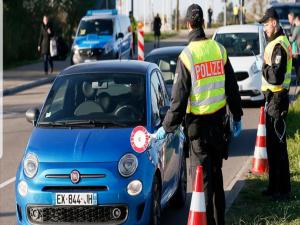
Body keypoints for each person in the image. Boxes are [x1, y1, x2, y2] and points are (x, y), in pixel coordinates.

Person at [156, 4, 243, 225]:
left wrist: (165, 129)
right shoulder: (219, 50)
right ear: (203, 23)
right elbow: (232, 88)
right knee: (216, 176)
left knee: (201, 183)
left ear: (187, 24)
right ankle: (219, 221)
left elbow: (178, 101)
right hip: (219, 126)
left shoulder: (187, 57)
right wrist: (238, 116)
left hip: (198, 131)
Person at [259, 8, 292, 200]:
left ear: (274, 22)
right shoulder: (275, 43)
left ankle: (283, 190)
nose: (264, 28)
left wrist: (263, 67)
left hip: (277, 99)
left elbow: (276, 77)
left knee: (278, 146)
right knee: (272, 145)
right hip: (273, 99)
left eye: (265, 24)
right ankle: (274, 186)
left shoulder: (278, 46)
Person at [290, 15, 300, 81]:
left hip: (296, 50)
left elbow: (292, 39)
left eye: (295, 21)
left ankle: (298, 79)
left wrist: (289, 38)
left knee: (297, 66)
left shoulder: (297, 28)